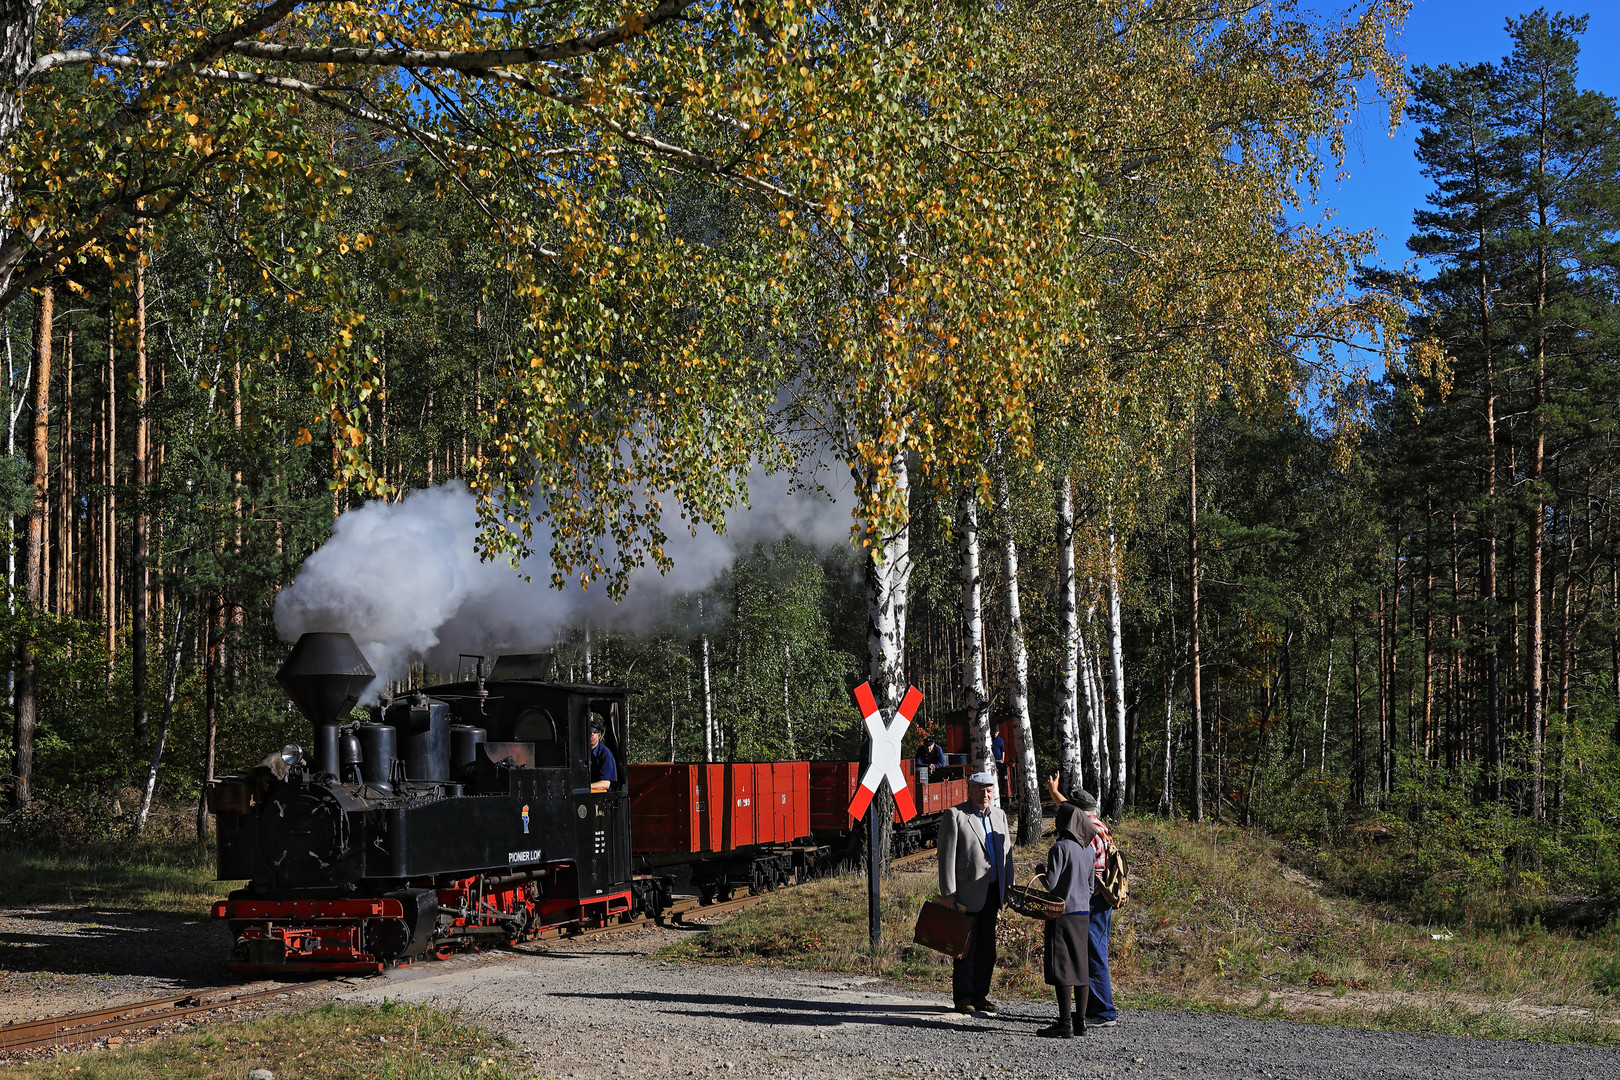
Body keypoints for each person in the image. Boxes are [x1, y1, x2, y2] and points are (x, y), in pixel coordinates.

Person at [937, 771, 1014, 1016]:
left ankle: (981, 995)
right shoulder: (956, 815)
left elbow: (1008, 856)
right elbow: (946, 858)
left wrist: (1008, 888)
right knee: (965, 948)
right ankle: (963, 998)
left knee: (987, 950)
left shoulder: (1000, 816)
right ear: (969, 790)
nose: (985, 795)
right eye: (980, 790)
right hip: (966, 893)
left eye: (989, 790)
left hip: (993, 892)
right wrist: (948, 893)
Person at [1045, 774, 1117, 1027]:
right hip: (1096, 900)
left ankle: (1102, 1011)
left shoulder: (1089, 834)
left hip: (1090, 902)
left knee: (1091, 954)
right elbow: (1068, 808)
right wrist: (1054, 791)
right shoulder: (1099, 824)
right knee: (1091, 952)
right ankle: (1090, 1011)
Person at [1039, 803, 1097, 1038]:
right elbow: (1092, 886)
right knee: (1081, 966)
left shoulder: (1059, 848)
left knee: (1063, 966)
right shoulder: (1089, 850)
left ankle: (1064, 1022)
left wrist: (1040, 870)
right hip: (1083, 914)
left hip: (1062, 914)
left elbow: (1051, 885)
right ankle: (1080, 1022)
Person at [589, 721, 617, 792]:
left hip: (602, 796)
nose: (588, 736)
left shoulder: (605, 754)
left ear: (599, 736)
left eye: (591, 734)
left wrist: (585, 787)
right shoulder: (581, 752)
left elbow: (605, 784)